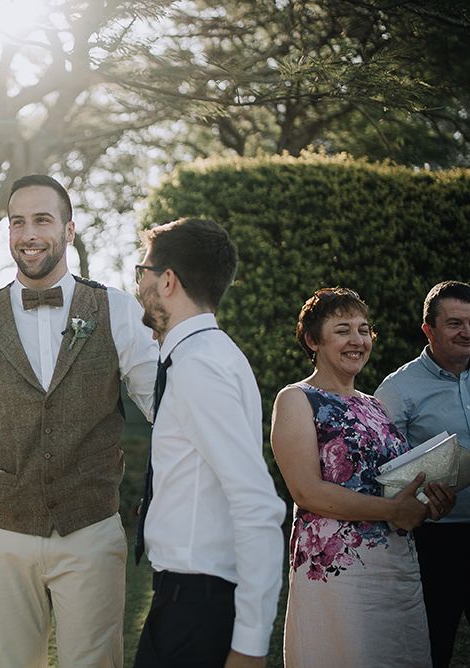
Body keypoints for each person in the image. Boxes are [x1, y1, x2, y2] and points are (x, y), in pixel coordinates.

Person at [0, 174, 158, 667]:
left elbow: (164, 407)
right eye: (18, 222)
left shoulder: (117, 310)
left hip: (90, 529)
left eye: (42, 220)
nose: (29, 233)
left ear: (70, 230)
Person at [271, 287, 455, 668]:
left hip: (398, 572)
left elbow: (394, 482)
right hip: (340, 576)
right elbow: (307, 491)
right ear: (312, 340)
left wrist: (428, 498)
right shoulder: (296, 399)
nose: (358, 340)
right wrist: (392, 509)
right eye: (342, 330)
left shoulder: (375, 405)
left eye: (364, 329)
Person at [132, 217, 286, 668]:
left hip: (197, 608)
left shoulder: (201, 366)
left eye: (141, 270)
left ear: (167, 280)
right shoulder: (210, 355)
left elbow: (259, 506)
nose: (138, 282)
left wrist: (250, 647)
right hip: (182, 600)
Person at [375, 280, 470, 667]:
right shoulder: (398, 389)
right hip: (435, 541)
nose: (467, 331)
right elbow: (380, 474)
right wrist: (418, 499)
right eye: (454, 323)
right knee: (435, 646)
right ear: (428, 330)